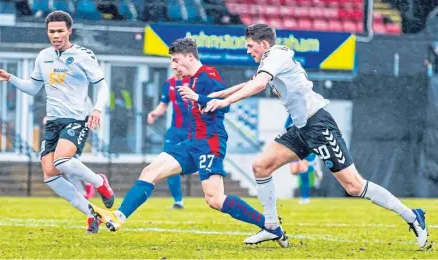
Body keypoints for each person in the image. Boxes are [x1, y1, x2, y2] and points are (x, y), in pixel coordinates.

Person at [202, 24, 428, 248]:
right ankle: (272, 227)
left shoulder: (277, 54)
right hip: (301, 129)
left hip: (319, 126)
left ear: (263, 44)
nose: (248, 50)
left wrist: (224, 102)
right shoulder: (268, 62)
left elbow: (259, 84)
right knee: (261, 167)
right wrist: (215, 95)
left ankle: (412, 216)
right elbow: (252, 82)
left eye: (250, 46)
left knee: (354, 186)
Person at [88, 38, 288, 247]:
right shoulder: (191, 80)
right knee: (150, 171)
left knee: (215, 200)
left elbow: (224, 107)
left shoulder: (208, 75)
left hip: (210, 143)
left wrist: (197, 97)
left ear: (190, 57)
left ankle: (270, 226)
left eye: (176, 60)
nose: (173, 66)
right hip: (192, 142)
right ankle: (118, 217)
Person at [0, 11, 115, 234]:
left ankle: (99, 182)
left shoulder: (83, 55)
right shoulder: (43, 56)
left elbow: (102, 85)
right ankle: (93, 213)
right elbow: (33, 88)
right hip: (54, 121)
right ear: (47, 32)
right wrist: (10, 78)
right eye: (52, 31)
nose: (56, 35)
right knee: (50, 174)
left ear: (69, 32)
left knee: (63, 160)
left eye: (60, 31)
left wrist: (97, 109)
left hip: (77, 119)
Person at [147, 65, 191, 209]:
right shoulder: (169, 83)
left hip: (193, 130)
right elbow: (163, 105)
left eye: (178, 64)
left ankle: (215, 197)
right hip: (175, 131)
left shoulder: (193, 82)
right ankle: (178, 200)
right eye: (173, 65)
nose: (176, 68)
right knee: (168, 162)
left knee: (199, 164)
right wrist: (154, 113)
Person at [286, 115, 323, 205]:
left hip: (306, 151)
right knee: (295, 172)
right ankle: (312, 167)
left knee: (303, 173)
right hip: (297, 149)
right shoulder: (292, 117)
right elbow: (286, 126)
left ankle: (305, 198)